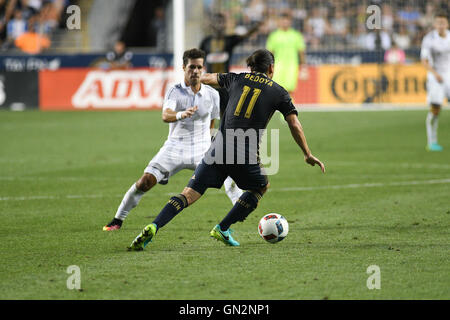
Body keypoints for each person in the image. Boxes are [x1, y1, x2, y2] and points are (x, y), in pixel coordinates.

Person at [128, 49, 325, 250]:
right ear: (271, 68)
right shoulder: (279, 91)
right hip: (244, 154)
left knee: (188, 194)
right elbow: (294, 124)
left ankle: (154, 225)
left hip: (216, 150)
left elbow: (207, 78)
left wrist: (194, 76)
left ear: (250, 67)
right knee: (261, 186)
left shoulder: (234, 79)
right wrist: (307, 154)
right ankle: (223, 227)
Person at [103, 48, 240, 231]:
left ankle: (240, 215)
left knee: (230, 177)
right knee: (145, 182)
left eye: (199, 67)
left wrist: (211, 143)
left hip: (201, 150)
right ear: (183, 67)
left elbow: (212, 122)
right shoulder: (174, 91)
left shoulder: (212, 94)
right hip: (174, 148)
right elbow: (166, 115)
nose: (196, 71)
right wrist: (182, 114)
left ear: (203, 68)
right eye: (191, 67)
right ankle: (117, 220)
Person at [200, 12, 262, 209]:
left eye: (221, 21)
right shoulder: (206, 41)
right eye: (215, 21)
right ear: (211, 24)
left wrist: (255, 27)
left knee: (229, 119)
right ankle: (211, 143)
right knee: (209, 119)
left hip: (226, 87)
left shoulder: (229, 40)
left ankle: (228, 145)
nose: (218, 25)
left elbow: (244, 37)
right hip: (210, 88)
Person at [421, 11, 450, 151]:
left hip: (449, 75)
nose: (440, 25)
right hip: (435, 77)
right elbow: (424, 61)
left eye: (443, 23)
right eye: (438, 23)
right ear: (434, 24)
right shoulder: (429, 39)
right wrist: (435, 74)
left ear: (447, 24)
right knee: (435, 109)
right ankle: (432, 142)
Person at [266, 12, 307, 98]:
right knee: (276, 89)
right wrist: (268, 66)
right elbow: (270, 53)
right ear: (279, 22)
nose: (285, 23)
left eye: (287, 21)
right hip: (278, 67)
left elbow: (301, 52)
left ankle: (288, 110)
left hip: (292, 67)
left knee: (290, 90)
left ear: (290, 22)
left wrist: (303, 67)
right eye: (283, 21)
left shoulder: (296, 35)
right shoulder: (274, 36)